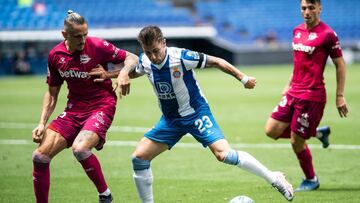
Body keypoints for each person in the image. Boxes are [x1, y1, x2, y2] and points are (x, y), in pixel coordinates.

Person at [93, 25, 294, 202]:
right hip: (171, 121)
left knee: (224, 154)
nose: (153, 57)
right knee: (139, 158)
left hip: (196, 114)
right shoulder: (146, 60)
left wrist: (243, 78)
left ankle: (274, 177)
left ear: (163, 43)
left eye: (156, 51)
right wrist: (110, 75)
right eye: (148, 52)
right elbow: (137, 70)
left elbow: (217, 62)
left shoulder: (181, 57)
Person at [31, 10, 138, 203]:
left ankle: (105, 195)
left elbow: (132, 58)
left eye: (85, 34)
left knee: (80, 149)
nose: (82, 40)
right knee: (40, 156)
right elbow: (52, 92)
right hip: (74, 109)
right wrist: (41, 123)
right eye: (77, 36)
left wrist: (121, 73)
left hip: (101, 106)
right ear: (64, 35)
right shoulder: (56, 56)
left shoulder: (97, 46)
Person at [264, 0, 348, 192]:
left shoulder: (328, 34)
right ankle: (318, 133)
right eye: (304, 8)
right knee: (271, 130)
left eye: (311, 8)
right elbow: (298, 64)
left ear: (320, 8)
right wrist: (288, 85)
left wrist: (340, 96)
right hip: (294, 92)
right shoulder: (297, 31)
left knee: (296, 141)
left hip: (312, 96)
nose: (307, 12)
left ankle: (311, 179)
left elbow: (340, 64)